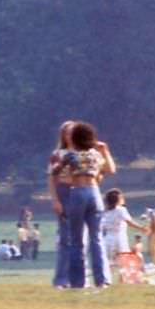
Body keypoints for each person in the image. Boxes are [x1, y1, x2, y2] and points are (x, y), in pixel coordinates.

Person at [51, 122, 115, 288]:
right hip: (94, 192)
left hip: (77, 192)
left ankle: (78, 281)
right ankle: (102, 279)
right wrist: (102, 151)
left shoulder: (71, 156)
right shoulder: (95, 155)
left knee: (77, 239)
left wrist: (62, 168)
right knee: (97, 237)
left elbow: (55, 172)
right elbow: (110, 169)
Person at [48, 121, 76, 288]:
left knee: (80, 238)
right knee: (65, 239)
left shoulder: (84, 153)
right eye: (67, 133)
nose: (70, 136)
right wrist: (55, 200)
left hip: (80, 190)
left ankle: (77, 277)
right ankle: (60, 279)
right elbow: (52, 178)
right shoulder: (57, 154)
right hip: (64, 192)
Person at [101, 188, 146, 269]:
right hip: (119, 239)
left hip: (107, 239)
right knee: (124, 262)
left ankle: (107, 280)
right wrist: (141, 228)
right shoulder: (121, 210)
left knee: (109, 263)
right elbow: (129, 222)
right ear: (118, 200)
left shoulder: (105, 212)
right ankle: (124, 279)